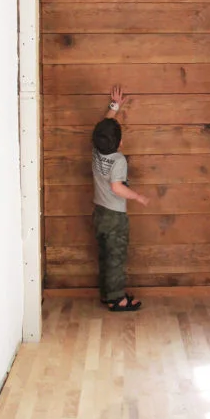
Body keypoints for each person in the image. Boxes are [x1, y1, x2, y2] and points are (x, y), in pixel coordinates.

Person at [92, 85, 149, 312]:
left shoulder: (96, 149)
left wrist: (114, 107)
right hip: (115, 216)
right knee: (116, 256)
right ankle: (117, 299)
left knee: (105, 255)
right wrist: (138, 197)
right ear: (120, 143)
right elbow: (117, 187)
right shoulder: (118, 160)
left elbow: (102, 129)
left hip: (99, 213)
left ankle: (108, 293)